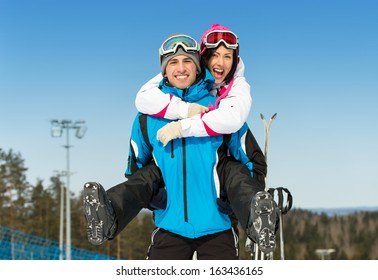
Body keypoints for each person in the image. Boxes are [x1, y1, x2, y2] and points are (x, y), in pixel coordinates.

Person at [83, 28, 277, 258]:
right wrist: (158, 198)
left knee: (233, 170)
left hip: (218, 228)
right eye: (173, 62)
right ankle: (108, 217)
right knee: (149, 175)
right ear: (164, 70)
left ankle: (257, 222)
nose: (181, 68)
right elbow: (135, 167)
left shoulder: (220, 109)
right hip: (170, 228)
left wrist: (232, 202)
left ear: (197, 66)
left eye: (187, 61)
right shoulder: (147, 118)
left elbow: (253, 162)